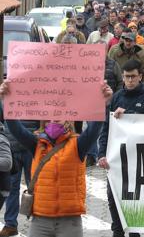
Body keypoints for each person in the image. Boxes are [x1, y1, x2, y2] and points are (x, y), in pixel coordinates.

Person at [0, 81, 112, 237]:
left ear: (69, 119)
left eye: (59, 114)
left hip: (70, 221)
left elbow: (95, 128)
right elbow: (15, 128)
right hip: (40, 221)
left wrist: (102, 104)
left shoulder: (78, 144)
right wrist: (7, 102)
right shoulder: (36, 144)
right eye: (50, 115)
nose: (54, 118)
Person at [98, 60, 144, 237]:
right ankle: (117, 230)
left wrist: (129, 116)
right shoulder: (116, 97)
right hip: (116, 159)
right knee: (114, 201)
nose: (129, 80)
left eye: (133, 76)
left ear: (140, 76)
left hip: (139, 160)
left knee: (134, 208)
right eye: (126, 77)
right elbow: (106, 128)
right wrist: (102, 153)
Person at [0, 108, 34, 237]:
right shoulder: (5, 94)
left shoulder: (38, 92)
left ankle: (38, 223)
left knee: (35, 186)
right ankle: (10, 225)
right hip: (11, 148)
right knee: (12, 188)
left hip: (31, 148)